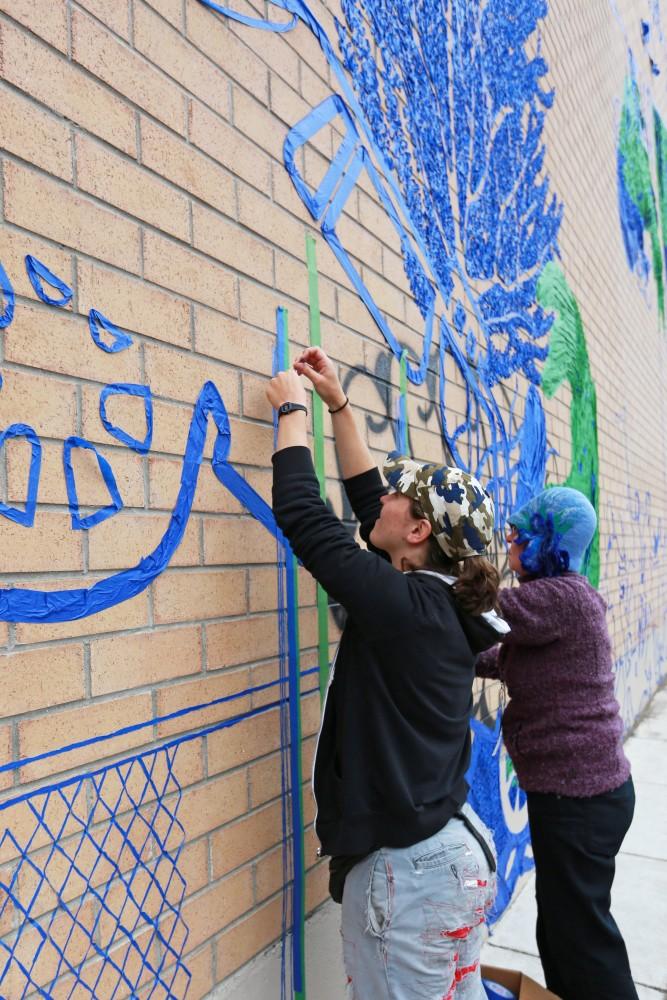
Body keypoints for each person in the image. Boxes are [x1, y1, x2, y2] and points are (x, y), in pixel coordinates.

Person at [267, 346, 509, 999]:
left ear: (419, 529)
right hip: (446, 858)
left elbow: (305, 520)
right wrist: (337, 405)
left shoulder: (405, 609)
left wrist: (289, 409)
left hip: (411, 878)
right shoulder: (434, 599)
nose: (385, 500)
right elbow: (369, 501)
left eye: (402, 499)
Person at [476, 487, 638, 1000]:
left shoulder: (560, 597)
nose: (509, 549)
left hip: (581, 803)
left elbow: (479, 613)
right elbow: (498, 656)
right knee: (563, 935)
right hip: (578, 799)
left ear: (547, 543)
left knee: (584, 944)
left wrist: (418, 585)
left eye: (517, 539)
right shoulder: (556, 606)